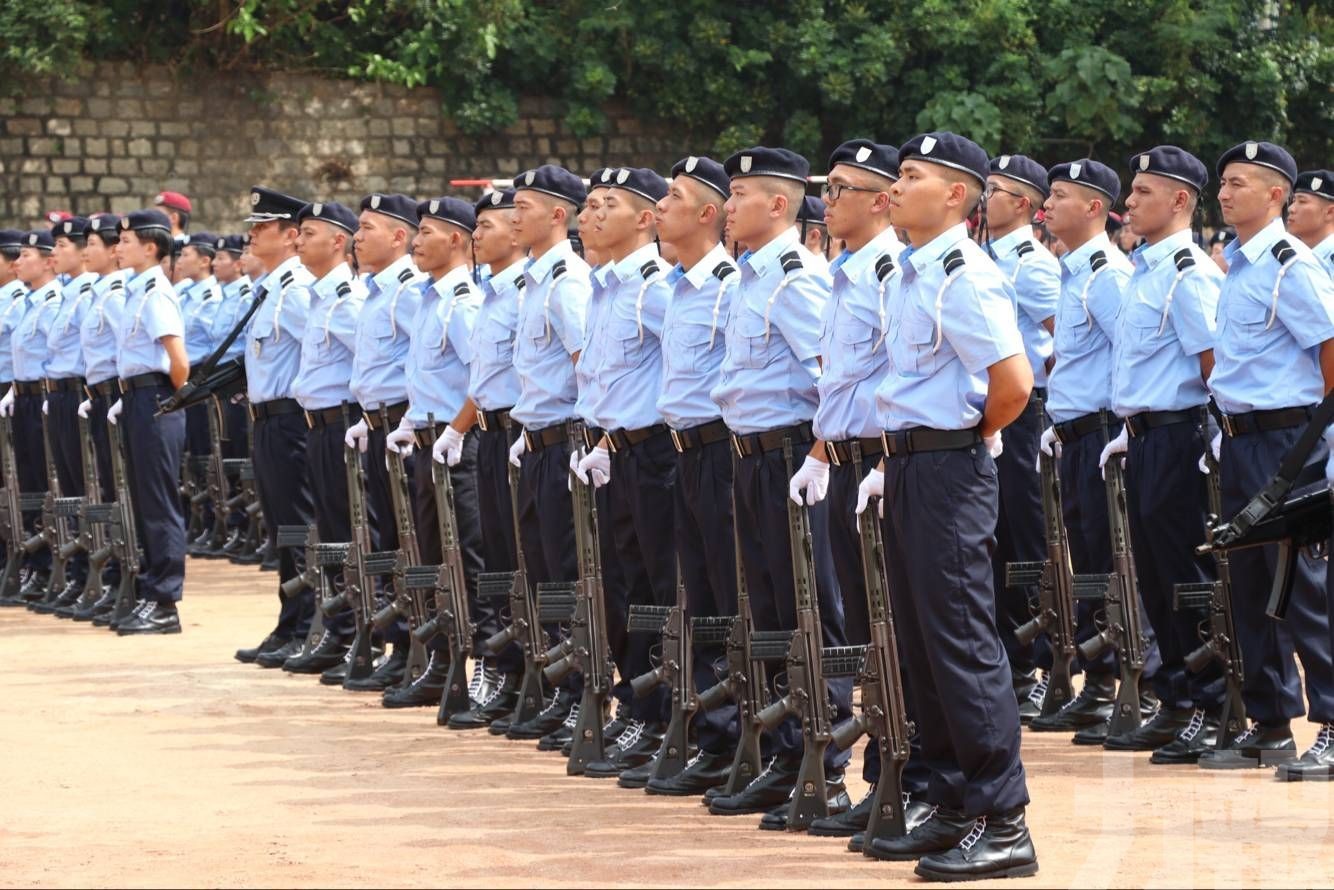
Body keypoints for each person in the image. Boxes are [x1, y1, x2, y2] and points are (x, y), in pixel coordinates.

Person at [855, 131, 1036, 880]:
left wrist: (968, 440)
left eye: (909, 176)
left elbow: (1013, 383)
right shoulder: (907, 273)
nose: (893, 189)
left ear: (955, 195)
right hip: (909, 468)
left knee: (961, 640)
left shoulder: (964, 274)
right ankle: (956, 802)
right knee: (924, 645)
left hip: (948, 470)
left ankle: (1006, 820)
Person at [787, 138, 930, 837]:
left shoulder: (889, 274)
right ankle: (881, 777)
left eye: (843, 188)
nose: (827, 199)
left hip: (881, 463)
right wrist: (821, 454)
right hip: (843, 464)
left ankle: (900, 777)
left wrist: (880, 458)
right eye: (828, 188)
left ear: (881, 200)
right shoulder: (845, 273)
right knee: (863, 629)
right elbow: (839, 382)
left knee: (891, 627)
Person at [706, 146, 851, 820]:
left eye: (738, 195)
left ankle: (828, 763)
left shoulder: (796, 279)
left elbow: (832, 377)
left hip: (792, 457)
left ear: (778, 204)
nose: (726, 207)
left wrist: (819, 457)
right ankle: (786, 754)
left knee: (807, 609)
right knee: (766, 611)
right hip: (749, 456)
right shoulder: (746, 278)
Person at [1202, 141, 1334, 779]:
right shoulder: (1239, 266)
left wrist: (1311, 449)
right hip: (1239, 440)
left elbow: (1331, 356)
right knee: (1252, 585)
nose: (1224, 194)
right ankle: (1273, 720)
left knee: (1302, 587)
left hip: (1287, 442)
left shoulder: (1289, 265)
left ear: (1276, 194)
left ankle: (1332, 721)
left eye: (1239, 183)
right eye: (1223, 183)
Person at [571, 166, 677, 779]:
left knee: (661, 590)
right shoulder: (603, 287)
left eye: (606, 205)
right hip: (615, 450)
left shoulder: (656, 286)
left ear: (645, 218)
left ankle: (663, 712)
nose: (590, 216)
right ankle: (639, 703)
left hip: (658, 451)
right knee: (622, 589)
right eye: (587, 205)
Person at [643, 155, 740, 796]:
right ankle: (715, 735)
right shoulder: (673, 288)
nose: (660, 207)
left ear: (708, 213)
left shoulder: (728, 286)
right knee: (700, 603)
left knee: (735, 603)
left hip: (726, 454)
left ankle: (744, 738)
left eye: (673, 196)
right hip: (683, 453)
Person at [381, 196, 486, 711]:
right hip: (428, 440)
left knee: (463, 559)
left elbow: (481, 378)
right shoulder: (428, 297)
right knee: (431, 561)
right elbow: (428, 378)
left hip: (456, 447)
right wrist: (410, 421)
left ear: (457, 240)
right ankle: (441, 663)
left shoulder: (462, 300)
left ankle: (478, 667)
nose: (417, 241)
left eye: (427, 231)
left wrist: (457, 430)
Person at [435, 188, 530, 731]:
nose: (478, 236)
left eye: (488, 225)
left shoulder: (521, 292)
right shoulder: (493, 291)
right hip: (490, 435)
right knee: (494, 559)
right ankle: (501, 664)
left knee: (519, 562)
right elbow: (482, 376)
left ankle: (520, 669)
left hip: (519, 433)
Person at [503, 165, 591, 741]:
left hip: (565, 445)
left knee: (568, 574)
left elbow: (589, 369)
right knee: (544, 577)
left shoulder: (568, 281)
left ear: (558, 215)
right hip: (535, 443)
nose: (514, 217)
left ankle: (582, 689)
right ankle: (561, 686)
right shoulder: (534, 280)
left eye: (524, 207)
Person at [983, 154, 1060, 715]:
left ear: (1024, 205)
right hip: (989, 411)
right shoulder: (984, 258)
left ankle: (1038, 664)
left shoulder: (1031, 263)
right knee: (991, 541)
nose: (985, 199)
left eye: (995, 190)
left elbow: (1066, 340)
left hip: (1022, 410)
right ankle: (1008, 662)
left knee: (1023, 540)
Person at [342, 193, 427, 697]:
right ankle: (396, 641)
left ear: (399, 236)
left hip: (403, 427)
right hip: (377, 425)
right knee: (386, 542)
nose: (357, 237)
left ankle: (418, 645)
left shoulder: (410, 291)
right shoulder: (375, 291)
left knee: (408, 540)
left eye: (367, 227)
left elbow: (429, 370)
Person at [234, 186, 317, 666]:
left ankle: (308, 624)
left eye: (261, 226)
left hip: (290, 421)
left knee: (298, 527)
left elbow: (325, 355)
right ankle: (291, 622)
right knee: (283, 529)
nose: (251, 233)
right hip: (268, 422)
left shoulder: (298, 290)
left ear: (289, 236)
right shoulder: (273, 289)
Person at [286, 200, 366, 678]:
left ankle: (361, 632)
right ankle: (339, 630)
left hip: (342, 426)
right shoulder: (319, 296)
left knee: (352, 533)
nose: (298, 241)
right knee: (332, 536)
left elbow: (376, 372)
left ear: (339, 241)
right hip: (317, 426)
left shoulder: (347, 300)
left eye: (308, 233)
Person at [108, 209, 190, 634]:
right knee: (143, 500)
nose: (117, 248)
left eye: (125, 241)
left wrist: (166, 403)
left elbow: (179, 363)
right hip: (138, 396)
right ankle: (149, 589)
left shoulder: (156, 291)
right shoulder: (134, 290)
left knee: (159, 503)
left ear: (150, 247)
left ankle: (165, 602)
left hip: (157, 398)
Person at [38, 217, 99, 611]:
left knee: (86, 486)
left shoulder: (90, 291)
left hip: (81, 391)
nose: (54, 253)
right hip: (58, 393)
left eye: (62, 246)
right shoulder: (64, 293)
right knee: (68, 490)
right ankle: (78, 572)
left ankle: (95, 575)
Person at [70, 214, 127, 621]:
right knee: (106, 494)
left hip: (117, 398)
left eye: (92, 243)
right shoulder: (98, 291)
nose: (86, 249)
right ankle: (115, 578)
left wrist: (122, 394)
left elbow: (132, 350)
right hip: (97, 396)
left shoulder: (120, 291)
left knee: (123, 494)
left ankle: (130, 580)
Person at [3, 229, 61, 601]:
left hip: (44, 395)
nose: (18, 262)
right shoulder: (28, 301)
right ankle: (32, 563)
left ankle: (46, 567)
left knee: (44, 484)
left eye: (26, 255)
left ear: (47, 260)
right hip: (21, 396)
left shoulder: (54, 301)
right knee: (25, 484)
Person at [175, 232, 223, 552]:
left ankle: (214, 520)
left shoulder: (214, 296)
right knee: (190, 456)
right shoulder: (185, 293)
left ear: (204, 260)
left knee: (207, 454)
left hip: (202, 378)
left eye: (187, 254)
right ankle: (197, 518)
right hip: (184, 380)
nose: (180, 260)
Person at [1288, 170, 1334, 274]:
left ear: (1330, 212)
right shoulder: (1292, 253)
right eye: (1293, 201)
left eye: (1302, 202)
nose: (1291, 209)